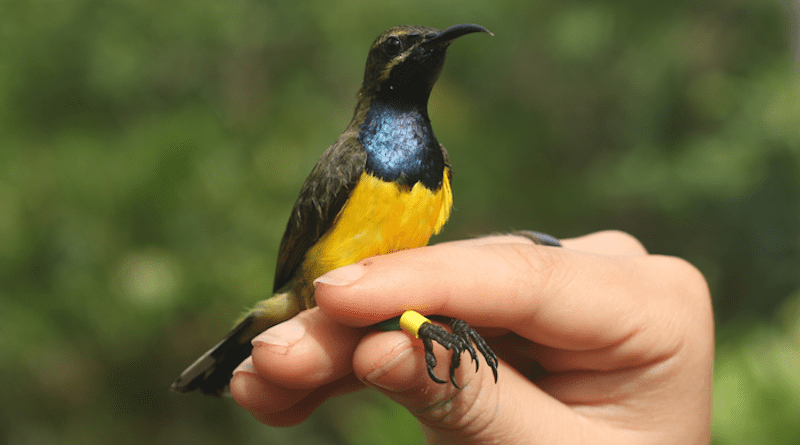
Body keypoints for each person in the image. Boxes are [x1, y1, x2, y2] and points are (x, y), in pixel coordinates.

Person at [228, 231, 714, 444]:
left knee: (394, 321)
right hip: (323, 293)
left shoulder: (435, 173)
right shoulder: (352, 159)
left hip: (383, 305)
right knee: (380, 323)